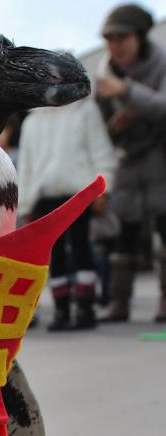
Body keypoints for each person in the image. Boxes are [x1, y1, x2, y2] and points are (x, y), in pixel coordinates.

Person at [18, 95, 117, 330]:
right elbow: (27, 166)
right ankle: (61, 308)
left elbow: (100, 151)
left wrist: (104, 189)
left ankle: (85, 307)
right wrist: (26, 204)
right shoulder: (32, 120)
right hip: (44, 196)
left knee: (82, 248)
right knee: (55, 255)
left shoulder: (84, 110)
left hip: (79, 193)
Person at [96, 4, 166, 322]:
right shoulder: (104, 74)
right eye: (109, 39)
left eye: (122, 37)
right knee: (125, 238)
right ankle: (119, 302)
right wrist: (115, 128)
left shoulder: (162, 64)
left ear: (139, 36)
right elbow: (98, 131)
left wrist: (127, 91)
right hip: (128, 165)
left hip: (160, 159)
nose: (115, 45)